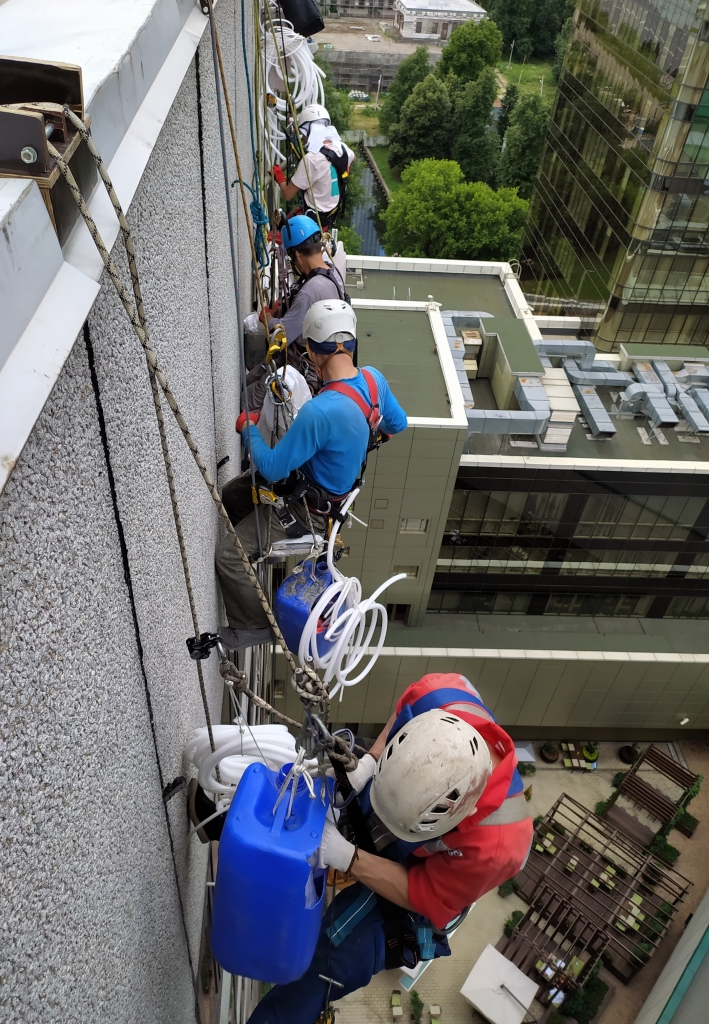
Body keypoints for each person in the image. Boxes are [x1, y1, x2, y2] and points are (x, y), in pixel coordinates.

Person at [247, 673, 534, 1024]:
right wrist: (369, 764)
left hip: (428, 880)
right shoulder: (440, 695)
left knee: (328, 963)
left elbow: (422, 893)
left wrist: (346, 856)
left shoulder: (497, 848)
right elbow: (403, 713)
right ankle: (221, 818)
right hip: (399, 791)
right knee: (306, 802)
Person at [216, 299, 407, 649]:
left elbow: (271, 466)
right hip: (330, 501)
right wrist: (368, 434)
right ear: (350, 343)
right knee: (232, 495)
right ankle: (250, 558)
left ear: (314, 352)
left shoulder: (320, 412)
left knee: (229, 555)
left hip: (306, 514)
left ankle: (253, 626)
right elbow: (398, 424)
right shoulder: (373, 381)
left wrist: (248, 429)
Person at [245, 214, 348, 408]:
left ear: (298, 255)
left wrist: (267, 318)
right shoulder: (332, 273)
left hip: (300, 369)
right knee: (247, 381)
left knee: (247, 402)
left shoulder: (311, 291)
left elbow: (282, 333)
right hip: (313, 364)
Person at [271, 104, 355, 230]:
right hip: (328, 218)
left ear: (308, 130)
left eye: (303, 133)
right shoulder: (342, 148)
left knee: (273, 236)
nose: (303, 137)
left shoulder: (311, 159)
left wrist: (280, 177)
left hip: (311, 223)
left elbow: (287, 195)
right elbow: (353, 157)